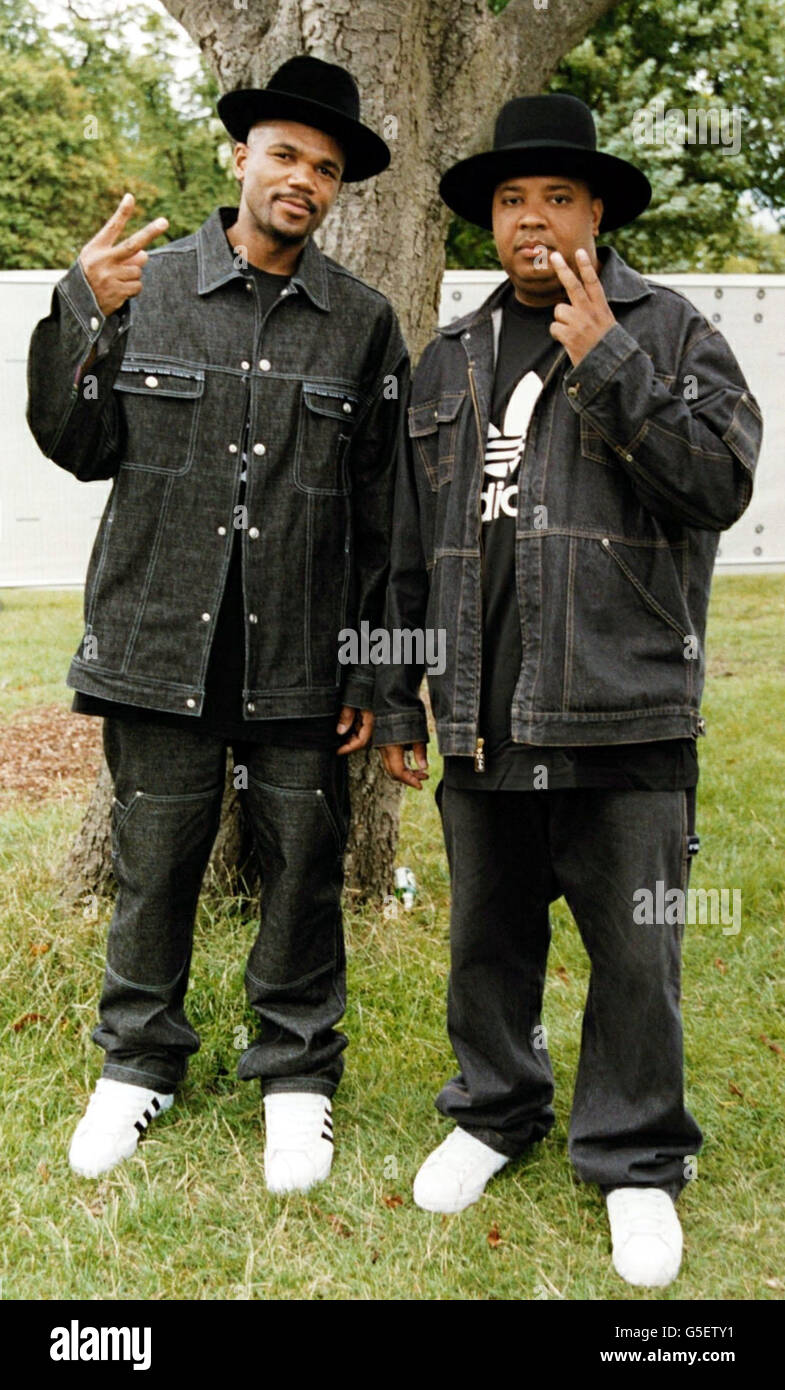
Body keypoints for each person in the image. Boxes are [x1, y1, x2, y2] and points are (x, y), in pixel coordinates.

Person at [373, 93, 761, 1287]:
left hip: (626, 707)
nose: (531, 220)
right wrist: (396, 701)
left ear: (596, 211)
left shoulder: (672, 331)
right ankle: (493, 1110)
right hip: (482, 709)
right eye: (509, 200)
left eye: (555, 197)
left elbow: (718, 484)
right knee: (487, 939)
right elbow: (401, 548)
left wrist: (612, 366)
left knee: (637, 951)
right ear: (490, 220)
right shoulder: (448, 356)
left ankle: (635, 1158)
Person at [27, 55, 407, 1194]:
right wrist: (77, 312)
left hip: (301, 655)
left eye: (326, 169)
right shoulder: (145, 285)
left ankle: (295, 1075)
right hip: (159, 640)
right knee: (155, 863)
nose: (302, 179)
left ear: (337, 192)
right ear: (239, 155)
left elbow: (390, 517)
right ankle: (135, 1063)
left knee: (302, 865)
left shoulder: (363, 323)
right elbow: (73, 440)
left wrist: (378, 670)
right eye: (285, 154)